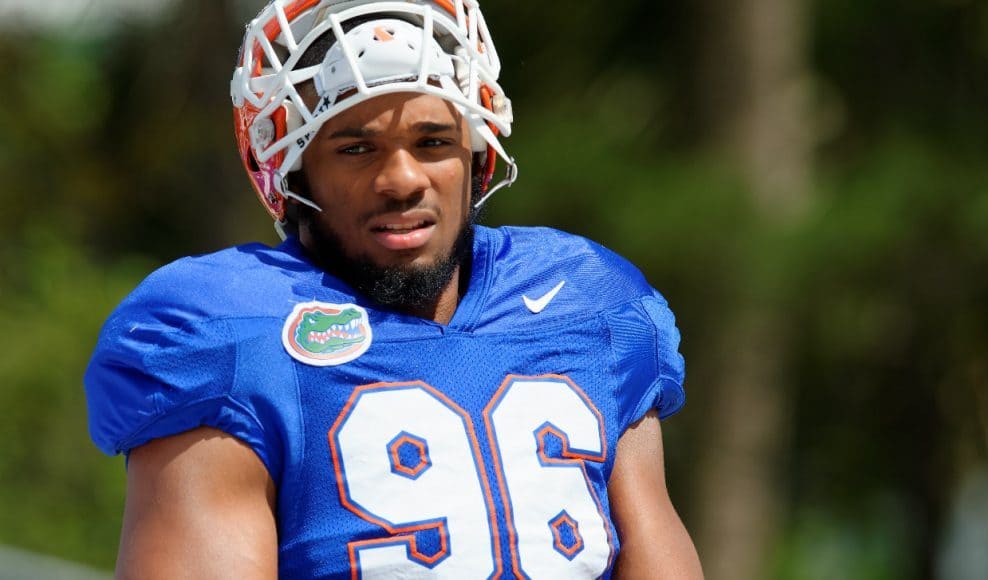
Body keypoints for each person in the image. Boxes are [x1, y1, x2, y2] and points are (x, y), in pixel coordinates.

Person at [84, 0, 704, 578]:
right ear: (295, 173)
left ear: (478, 153)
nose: (403, 179)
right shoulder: (225, 332)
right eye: (356, 148)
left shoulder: (589, 301)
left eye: (432, 142)